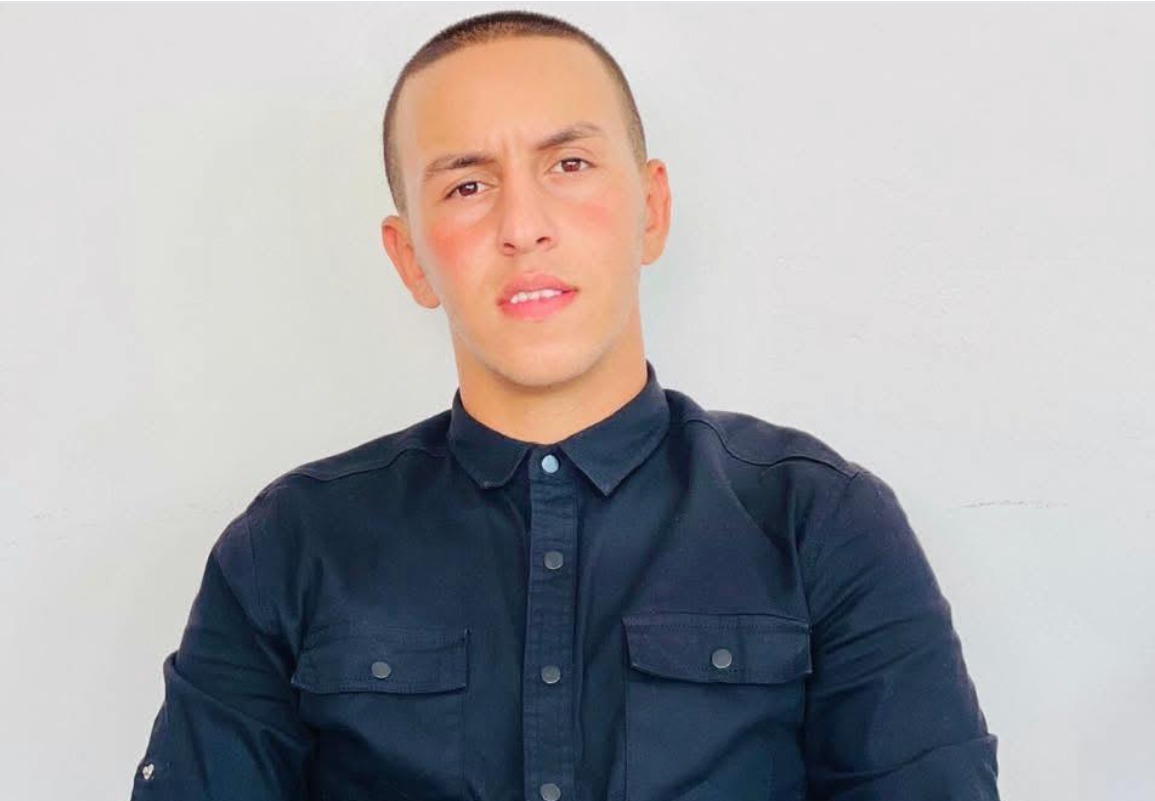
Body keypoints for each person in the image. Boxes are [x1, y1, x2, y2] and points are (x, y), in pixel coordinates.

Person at [130, 10, 1000, 801]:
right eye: (467, 186)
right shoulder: (289, 547)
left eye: (569, 165)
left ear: (651, 210)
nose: (523, 225)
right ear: (410, 258)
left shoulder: (819, 522)